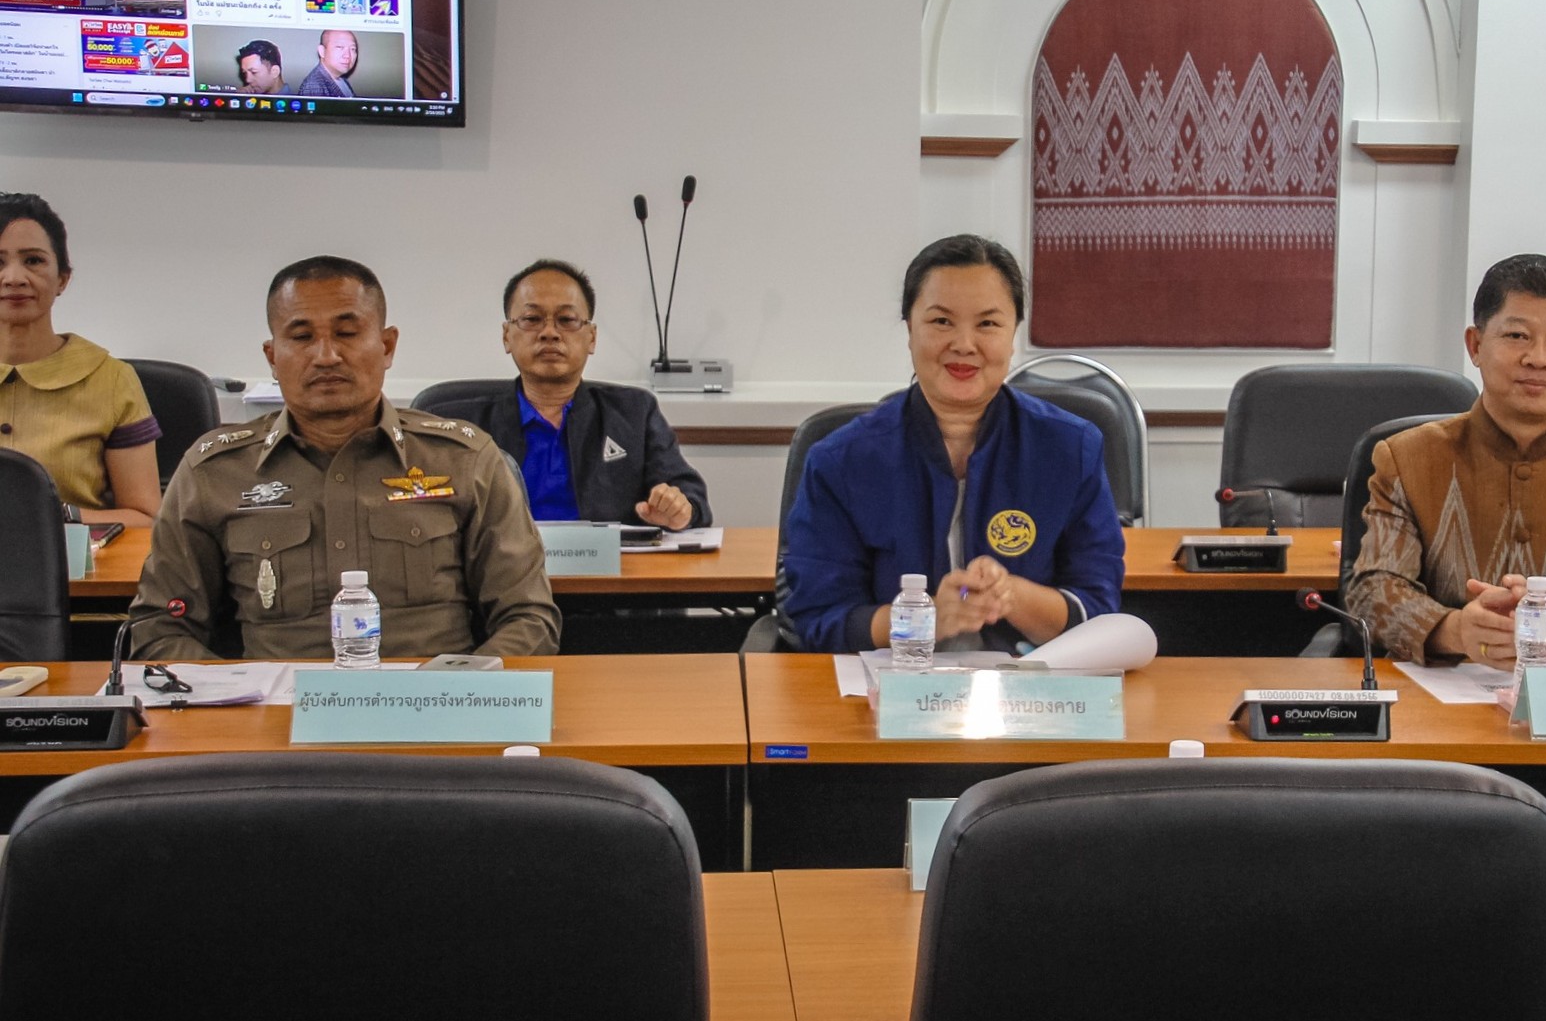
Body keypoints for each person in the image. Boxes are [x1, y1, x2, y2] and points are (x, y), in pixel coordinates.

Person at [128, 256, 561, 661]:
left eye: (347, 333)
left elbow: (529, 619)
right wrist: (239, 703)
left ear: (387, 346)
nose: (326, 355)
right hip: (275, 728)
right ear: (272, 357)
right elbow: (161, 628)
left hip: (435, 718)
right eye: (301, 337)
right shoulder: (215, 472)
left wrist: (454, 693)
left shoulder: (464, 460)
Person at [778, 234, 1125, 653]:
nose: (963, 344)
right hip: (884, 698)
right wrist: (922, 619)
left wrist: (1012, 596)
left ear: (1013, 334)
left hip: (1032, 699)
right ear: (910, 329)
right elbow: (815, 619)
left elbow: (1100, 610)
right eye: (941, 321)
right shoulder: (841, 461)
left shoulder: (1071, 449)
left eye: (988, 324)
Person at [1345, 253, 1546, 668]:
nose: (1538, 358)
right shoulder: (1406, 457)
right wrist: (1457, 629)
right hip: (1440, 698)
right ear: (1476, 345)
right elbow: (1374, 592)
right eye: (1517, 336)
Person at [436, 259, 710, 529]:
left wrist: (679, 510)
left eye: (566, 320)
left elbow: (690, 496)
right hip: (498, 571)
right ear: (507, 335)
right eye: (532, 319)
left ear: (591, 337)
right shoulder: (460, 422)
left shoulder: (634, 413)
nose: (549, 333)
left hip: (607, 570)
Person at [0, 193, 161, 527]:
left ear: (62, 279)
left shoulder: (111, 380)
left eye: (33, 260)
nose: (14, 277)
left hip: (75, 573)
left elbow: (146, 517)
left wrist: (61, 518)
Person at [294, 29, 358, 98]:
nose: (347, 55)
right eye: (340, 47)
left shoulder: (341, 79)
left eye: (352, 49)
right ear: (322, 51)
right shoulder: (314, 86)